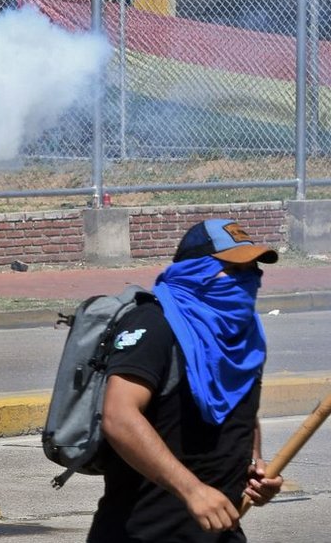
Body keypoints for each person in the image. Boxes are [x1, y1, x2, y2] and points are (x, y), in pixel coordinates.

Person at [88, 219, 285, 542]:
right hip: (143, 533)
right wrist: (193, 491)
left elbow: (238, 401)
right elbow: (119, 417)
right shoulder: (154, 324)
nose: (248, 281)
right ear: (197, 272)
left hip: (222, 534)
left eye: (253, 271)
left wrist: (254, 465)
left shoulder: (245, 335)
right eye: (234, 271)